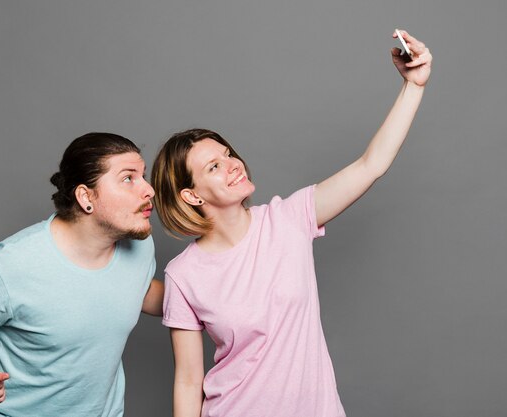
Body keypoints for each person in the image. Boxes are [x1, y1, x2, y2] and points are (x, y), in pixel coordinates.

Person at [151, 30, 432, 417]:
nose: (233, 164)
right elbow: (186, 380)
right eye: (214, 167)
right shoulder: (184, 275)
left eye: (228, 154)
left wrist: (413, 87)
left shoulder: (289, 218)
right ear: (192, 196)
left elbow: (371, 165)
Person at [0, 132, 164, 417]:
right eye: (128, 178)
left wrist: (210, 297)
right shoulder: (12, 264)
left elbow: (137, 290)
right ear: (86, 197)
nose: (149, 190)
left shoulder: (138, 246)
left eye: (143, 176)